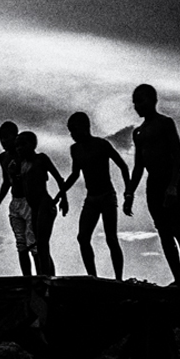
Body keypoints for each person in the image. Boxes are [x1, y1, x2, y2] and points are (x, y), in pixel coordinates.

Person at [123, 84, 180, 289]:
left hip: (170, 180)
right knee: (164, 233)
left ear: (153, 100)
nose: (137, 106)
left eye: (141, 101)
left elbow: (177, 154)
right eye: (135, 102)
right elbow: (138, 166)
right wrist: (129, 193)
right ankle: (179, 280)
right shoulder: (138, 132)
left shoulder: (165, 123)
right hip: (153, 184)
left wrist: (173, 185)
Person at [55, 112, 131, 280]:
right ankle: (92, 277)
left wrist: (128, 193)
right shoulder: (75, 149)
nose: (72, 135)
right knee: (83, 238)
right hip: (91, 199)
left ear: (85, 128)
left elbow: (123, 166)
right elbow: (75, 174)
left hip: (107, 196)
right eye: (70, 131)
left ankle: (119, 279)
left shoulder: (101, 144)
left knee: (111, 238)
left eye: (74, 130)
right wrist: (60, 194)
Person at [10, 131, 67, 276]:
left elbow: (59, 179)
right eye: (17, 146)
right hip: (33, 207)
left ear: (33, 144)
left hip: (44, 204)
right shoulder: (22, 164)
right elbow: (18, 185)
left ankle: (46, 276)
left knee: (41, 243)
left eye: (23, 144)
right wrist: (12, 173)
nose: (19, 148)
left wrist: (63, 199)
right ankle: (45, 275)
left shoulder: (41, 159)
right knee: (37, 244)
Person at [0, 121, 35, 276]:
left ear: (15, 137)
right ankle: (27, 278)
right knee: (21, 245)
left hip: (30, 202)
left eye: (6, 138)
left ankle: (43, 275)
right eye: (1, 138)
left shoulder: (25, 155)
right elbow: (6, 182)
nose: (3, 141)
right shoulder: (3, 158)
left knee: (34, 244)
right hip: (16, 202)